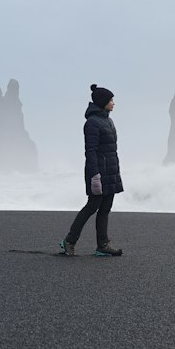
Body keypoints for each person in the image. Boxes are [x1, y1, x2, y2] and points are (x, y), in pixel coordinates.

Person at [60, 83, 124, 257]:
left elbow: (111, 149)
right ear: (103, 102)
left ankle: (102, 245)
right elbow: (90, 151)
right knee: (92, 206)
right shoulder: (92, 123)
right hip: (98, 172)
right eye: (111, 100)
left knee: (105, 208)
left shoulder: (108, 120)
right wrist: (95, 175)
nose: (113, 103)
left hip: (110, 170)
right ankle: (69, 241)